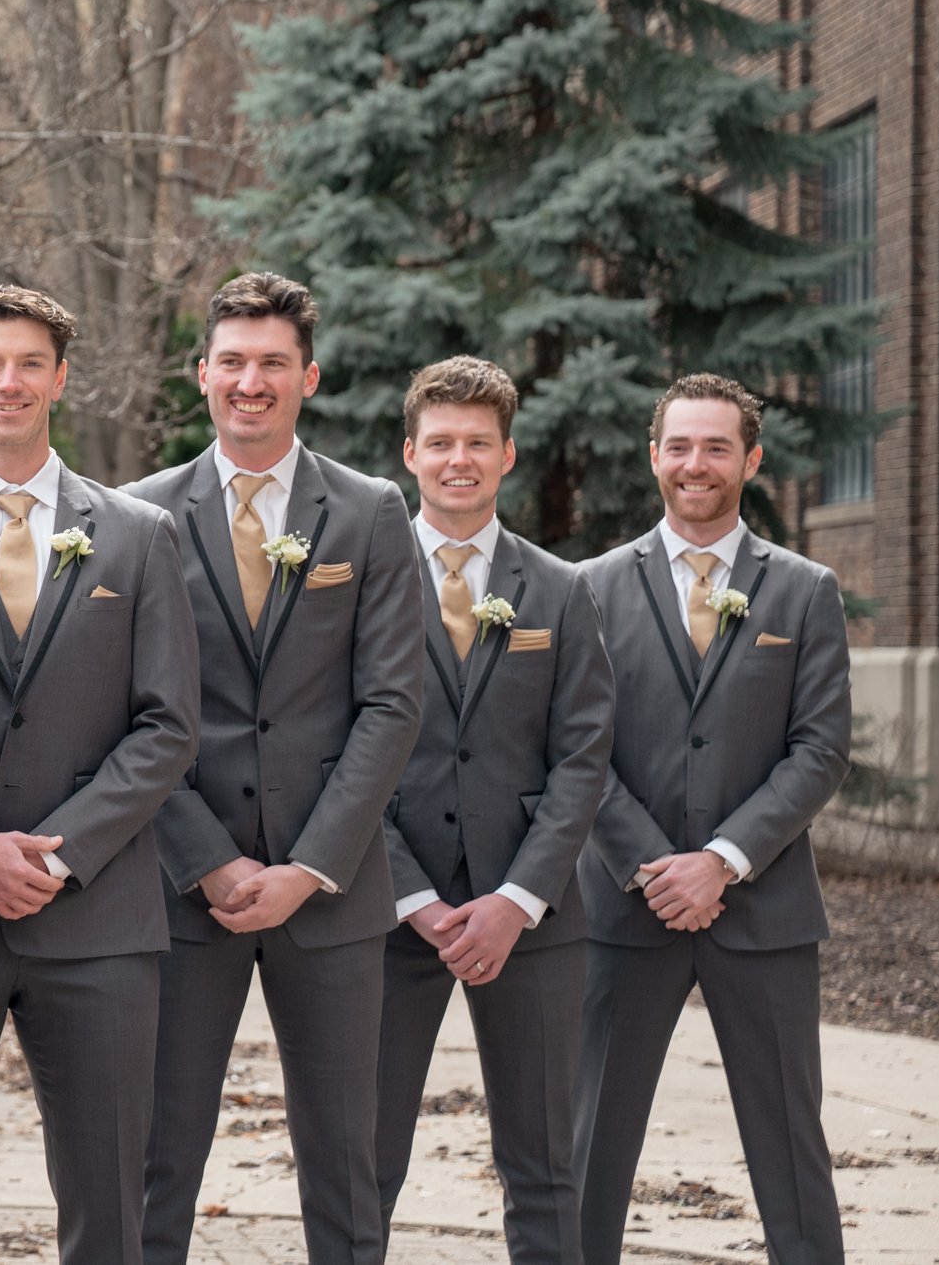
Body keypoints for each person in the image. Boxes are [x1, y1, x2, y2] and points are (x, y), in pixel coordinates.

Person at [0, 285, 199, 1265]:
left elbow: (168, 723)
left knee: (111, 1207)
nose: (6, 382)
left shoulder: (138, 536)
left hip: (96, 921)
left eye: (28, 363)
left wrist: (63, 853)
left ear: (60, 376)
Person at [121, 272, 426, 1265]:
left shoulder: (372, 511)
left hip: (331, 891)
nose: (250, 380)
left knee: (345, 1156)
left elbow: (391, 701)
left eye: (273, 363)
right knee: (155, 1151)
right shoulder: (137, 516)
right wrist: (206, 856)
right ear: (201, 372)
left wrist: (310, 863)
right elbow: (123, 711)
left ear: (309, 376)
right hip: (177, 886)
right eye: (233, 361)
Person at [573, 374, 851, 1265]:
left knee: (792, 1152)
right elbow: (576, 748)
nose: (698, 464)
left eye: (718, 446)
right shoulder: (588, 588)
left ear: (751, 459)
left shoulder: (805, 591)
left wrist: (722, 860)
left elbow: (820, 749)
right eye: (681, 446)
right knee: (588, 1151)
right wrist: (658, 866)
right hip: (624, 910)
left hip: (764, 916)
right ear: (655, 456)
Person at [372, 359, 613, 1265]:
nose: (458, 459)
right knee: (364, 1159)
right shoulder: (359, 578)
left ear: (507, 453)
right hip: (387, 915)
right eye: (441, 443)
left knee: (546, 1164)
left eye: (478, 442)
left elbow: (583, 755)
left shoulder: (560, 587)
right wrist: (412, 897)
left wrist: (518, 897)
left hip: (533, 920)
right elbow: (333, 750)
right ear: (410, 453)